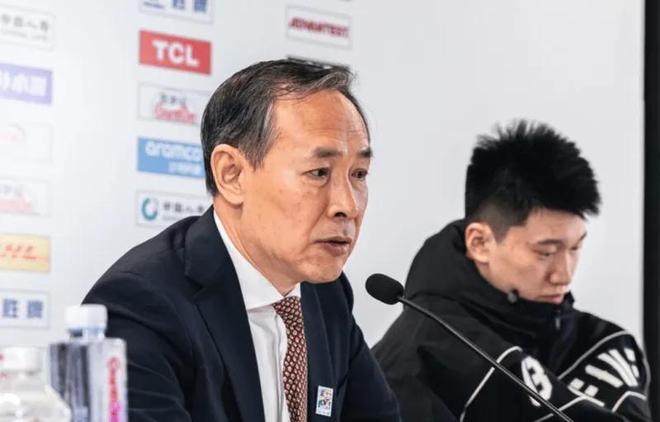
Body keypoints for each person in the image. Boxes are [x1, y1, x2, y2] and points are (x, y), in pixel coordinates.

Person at [84, 60, 400, 422]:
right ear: (231, 174)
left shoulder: (325, 294)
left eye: (358, 174)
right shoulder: (142, 304)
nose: (348, 205)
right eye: (318, 172)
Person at [372, 120, 652, 421]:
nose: (564, 275)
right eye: (545, 252)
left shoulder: (607, 344)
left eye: (575, 248)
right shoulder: (413, 360)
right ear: (480, 243)